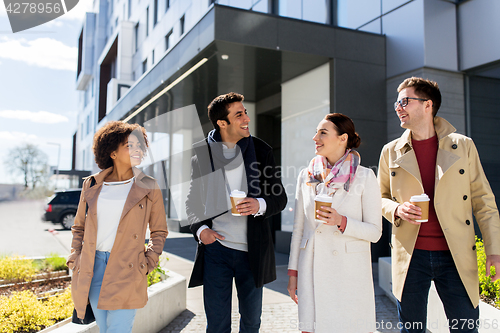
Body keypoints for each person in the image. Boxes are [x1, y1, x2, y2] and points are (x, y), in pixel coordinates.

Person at [377, 77, 500, 333]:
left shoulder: (463, 146)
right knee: (412, 330)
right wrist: (396, 209)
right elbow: (379, 198)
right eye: (396, 102)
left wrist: (494, 251)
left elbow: (484, 201)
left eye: (404, 101)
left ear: (427, 105)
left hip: (455, 254)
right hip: (411, 255)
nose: (398, 107)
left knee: (465, 329)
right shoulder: (391, 151)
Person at [186, 92, 287, 333]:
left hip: (252, 253)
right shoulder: (202, 154)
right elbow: (192, 204)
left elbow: (279, 198)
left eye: (246, 112)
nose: (246, 118)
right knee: (217, 324)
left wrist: (259, 204)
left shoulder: (261, 151)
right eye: (239, 114)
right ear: (222, 123)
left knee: (251, 323)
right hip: (216, 251)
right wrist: (201, 231)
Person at [67, 121, 168, 333]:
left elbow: (159, 230)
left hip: (127, 266)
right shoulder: (92, 184)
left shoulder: (149, 185)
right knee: (105, 330)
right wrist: (75, 257)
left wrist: (148, 262)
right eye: (130, 145)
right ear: (112, 152)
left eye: (140, 145)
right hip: (93, 267)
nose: (138, 150)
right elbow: (79, 227)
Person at [287, 113, 382, 333]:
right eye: (316, 132)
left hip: (349, 275)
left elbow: (376, 232)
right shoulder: (306, 176)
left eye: (323, 132)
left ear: (342, 138)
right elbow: (299, 229)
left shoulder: (365, 177)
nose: (315, 138)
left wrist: (342, 221)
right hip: (311, 270)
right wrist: (293, 274)